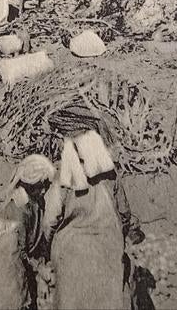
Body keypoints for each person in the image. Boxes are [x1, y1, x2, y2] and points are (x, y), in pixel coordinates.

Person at [44, 131, 133, 310]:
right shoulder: (110, 177)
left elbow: (51, 221)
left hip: (70, 251)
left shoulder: (64, 178)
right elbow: (124, 214)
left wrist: (48, 248)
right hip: (107, 247)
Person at [0, 154, 55, 260]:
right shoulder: (18, 210)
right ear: (29, 187)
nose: (44, 191)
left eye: (46, 186)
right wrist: (36, 265)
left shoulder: (36, 201)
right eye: (40, 187)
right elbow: (19, 251)